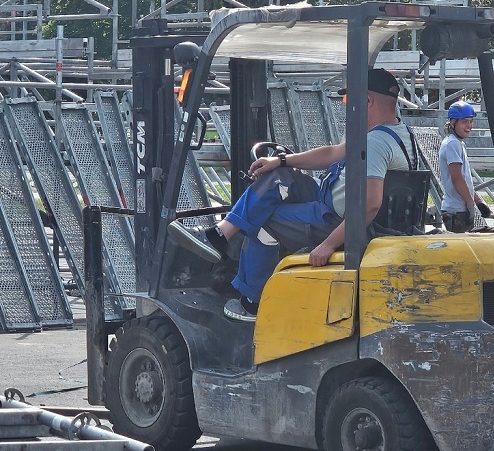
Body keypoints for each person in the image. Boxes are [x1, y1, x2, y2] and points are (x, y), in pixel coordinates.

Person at [169, 68, 416, 321]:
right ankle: (221, 234)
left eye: (348, 101)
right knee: (279, 178)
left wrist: (328, 244)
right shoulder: (398, 133)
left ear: (366, 101)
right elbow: (333, 153)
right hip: (327, 199)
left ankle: (252, 302)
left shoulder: (374, 143)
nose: (346, 107)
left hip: (334, 219)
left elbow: (369, 205)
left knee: (263, 221)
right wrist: (281, 161)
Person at [437, 100, 491, 232]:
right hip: (456, 211)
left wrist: (478, 201)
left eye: (471, 121)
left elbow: (465, 180)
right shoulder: (452, 144)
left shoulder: (457, 143)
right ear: (452, 123)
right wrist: (470, 203)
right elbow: (457, 178)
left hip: (458, 209)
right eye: (464, 122)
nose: (469, 125)